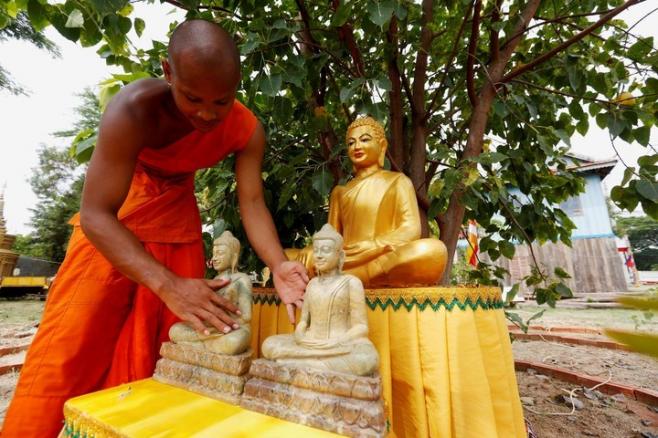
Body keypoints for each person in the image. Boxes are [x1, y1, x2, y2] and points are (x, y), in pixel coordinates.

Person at [2, 19, 307, 437]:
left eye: (221, 101)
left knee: (158, 350)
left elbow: (251, 202)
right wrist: (168, 285)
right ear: (168, 72)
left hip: (178, 222)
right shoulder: (133, 108)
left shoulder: (246, 129)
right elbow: (94, 214)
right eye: (192, 97)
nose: (206, 114)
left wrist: (280, 264)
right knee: (69, 347)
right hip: (118, 220)